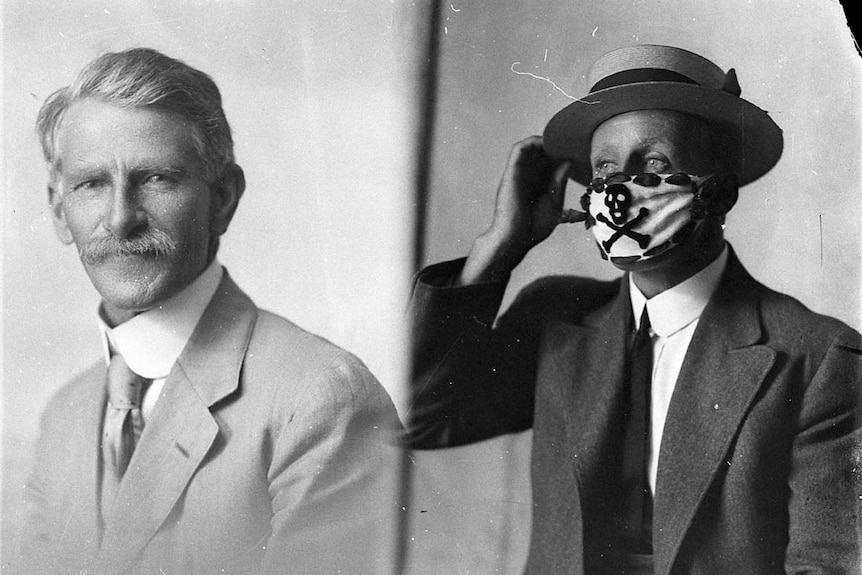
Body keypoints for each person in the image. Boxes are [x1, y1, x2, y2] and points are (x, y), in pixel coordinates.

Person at [406, 44, 861, 574]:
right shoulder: (557, 318)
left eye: (653, 164)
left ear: (722, 193)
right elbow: (415, 418)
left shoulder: (818, 359)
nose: (618, 190)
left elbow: (831, 565)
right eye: (603, 170)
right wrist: (498, 248)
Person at [21, 48, 400, 575]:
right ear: (60, 212)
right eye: (91, 184)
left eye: (155, 178)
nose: (120, 217)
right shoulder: (63, 419)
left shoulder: (321, 402)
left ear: (222, 199)